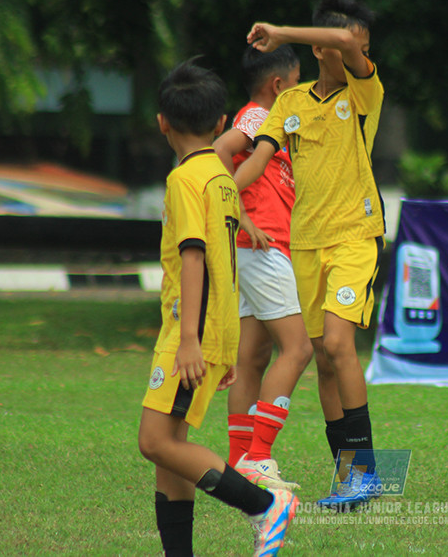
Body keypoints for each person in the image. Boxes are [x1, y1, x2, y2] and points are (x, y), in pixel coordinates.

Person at [136, 56, 297, 557]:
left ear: (162, 122)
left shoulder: (185, 180)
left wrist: (190, 343)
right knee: (173, 451)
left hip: (189, 333)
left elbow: (194, 255)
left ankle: (263, 505)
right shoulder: (222, 178)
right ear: (222, 123)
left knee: (155, 442)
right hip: (212, 331)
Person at [233, 0, 385, 510]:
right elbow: (259, 157)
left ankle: (366, 471)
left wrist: (279, 31)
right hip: (305, 245)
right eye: (351, 40)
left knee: (340, 344)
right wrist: (220, 197)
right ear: (320, 43)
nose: (359, 50)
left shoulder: (364, 91)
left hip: (354, 237)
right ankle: (347, 478)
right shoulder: (291, 102)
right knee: (322, 359)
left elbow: (343, 43)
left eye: (362, 45)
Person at [213, 46, 313, 492]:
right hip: (262, 245)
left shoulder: (268, 122)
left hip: (251, 250)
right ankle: (259, 455)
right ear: (279, 86)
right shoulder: (258, 117)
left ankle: (239, 461)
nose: (302, 90)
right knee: (298, 349)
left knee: (252, 357)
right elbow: (220, 150)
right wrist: (242, 213)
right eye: (297, 82)